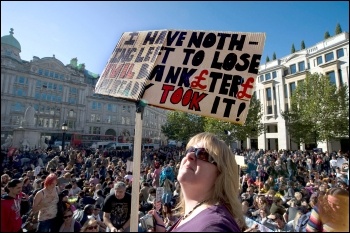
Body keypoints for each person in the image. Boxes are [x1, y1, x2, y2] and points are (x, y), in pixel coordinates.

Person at [149, 132, 245, 232]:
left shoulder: (214, 226)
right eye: (189, 151)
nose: (189, 155)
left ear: (220, 173)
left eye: (202, 154)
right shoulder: (195, 215)